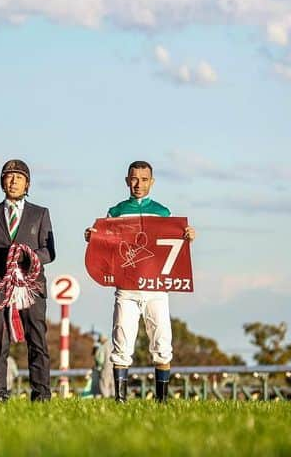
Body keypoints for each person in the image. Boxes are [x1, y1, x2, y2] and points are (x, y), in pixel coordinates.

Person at [85, 160, 196, 402]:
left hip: (157, 290)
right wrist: (92, 237)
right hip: (126, 289)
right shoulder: (116, 212)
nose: (138, 184)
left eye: (144, 179)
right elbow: (105, 245)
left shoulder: (163, 212)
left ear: (152, 182)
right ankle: (121, 400)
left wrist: (187, 236)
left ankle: (162, 400)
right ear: (127, 180)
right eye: (134, 179)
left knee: (162, 341)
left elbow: (173, 246)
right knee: (121, 342)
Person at [0, 159, 56, 402]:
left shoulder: (40, 213)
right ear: (2, 181)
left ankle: (42, 393)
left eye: (18, 177)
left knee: (37, 340)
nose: (13, 181)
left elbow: (49, 251)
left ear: (28, 184)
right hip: (0, 284)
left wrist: (29, 256)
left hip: (32, 286)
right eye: (8, 176)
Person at [93, 332, 113, 398]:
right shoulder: (111, 346)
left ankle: (106, 398)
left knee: (104, 384)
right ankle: (114, 398)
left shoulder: (102, 348)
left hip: (105, 368)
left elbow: (100, 360)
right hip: (113, 368)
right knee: (112, 384)